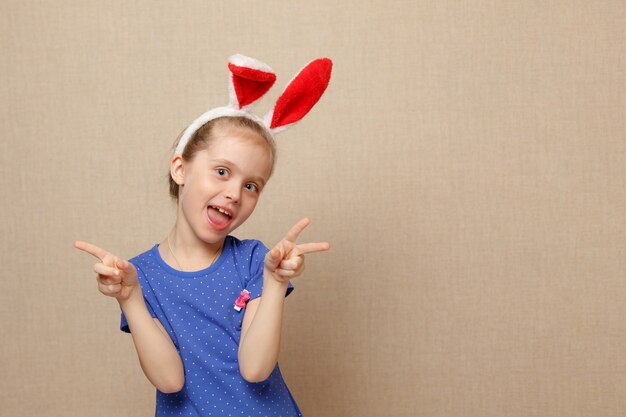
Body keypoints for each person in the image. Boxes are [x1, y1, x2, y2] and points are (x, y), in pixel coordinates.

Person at [74, 54, 332, 416]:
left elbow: (255, 368)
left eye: (252, 185)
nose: (234, 193)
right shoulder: (138, 275)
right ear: (181, 168)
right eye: (222, 171)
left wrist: (273, 282)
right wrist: (130, 298)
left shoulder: (255, 261)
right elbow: (169, 381)